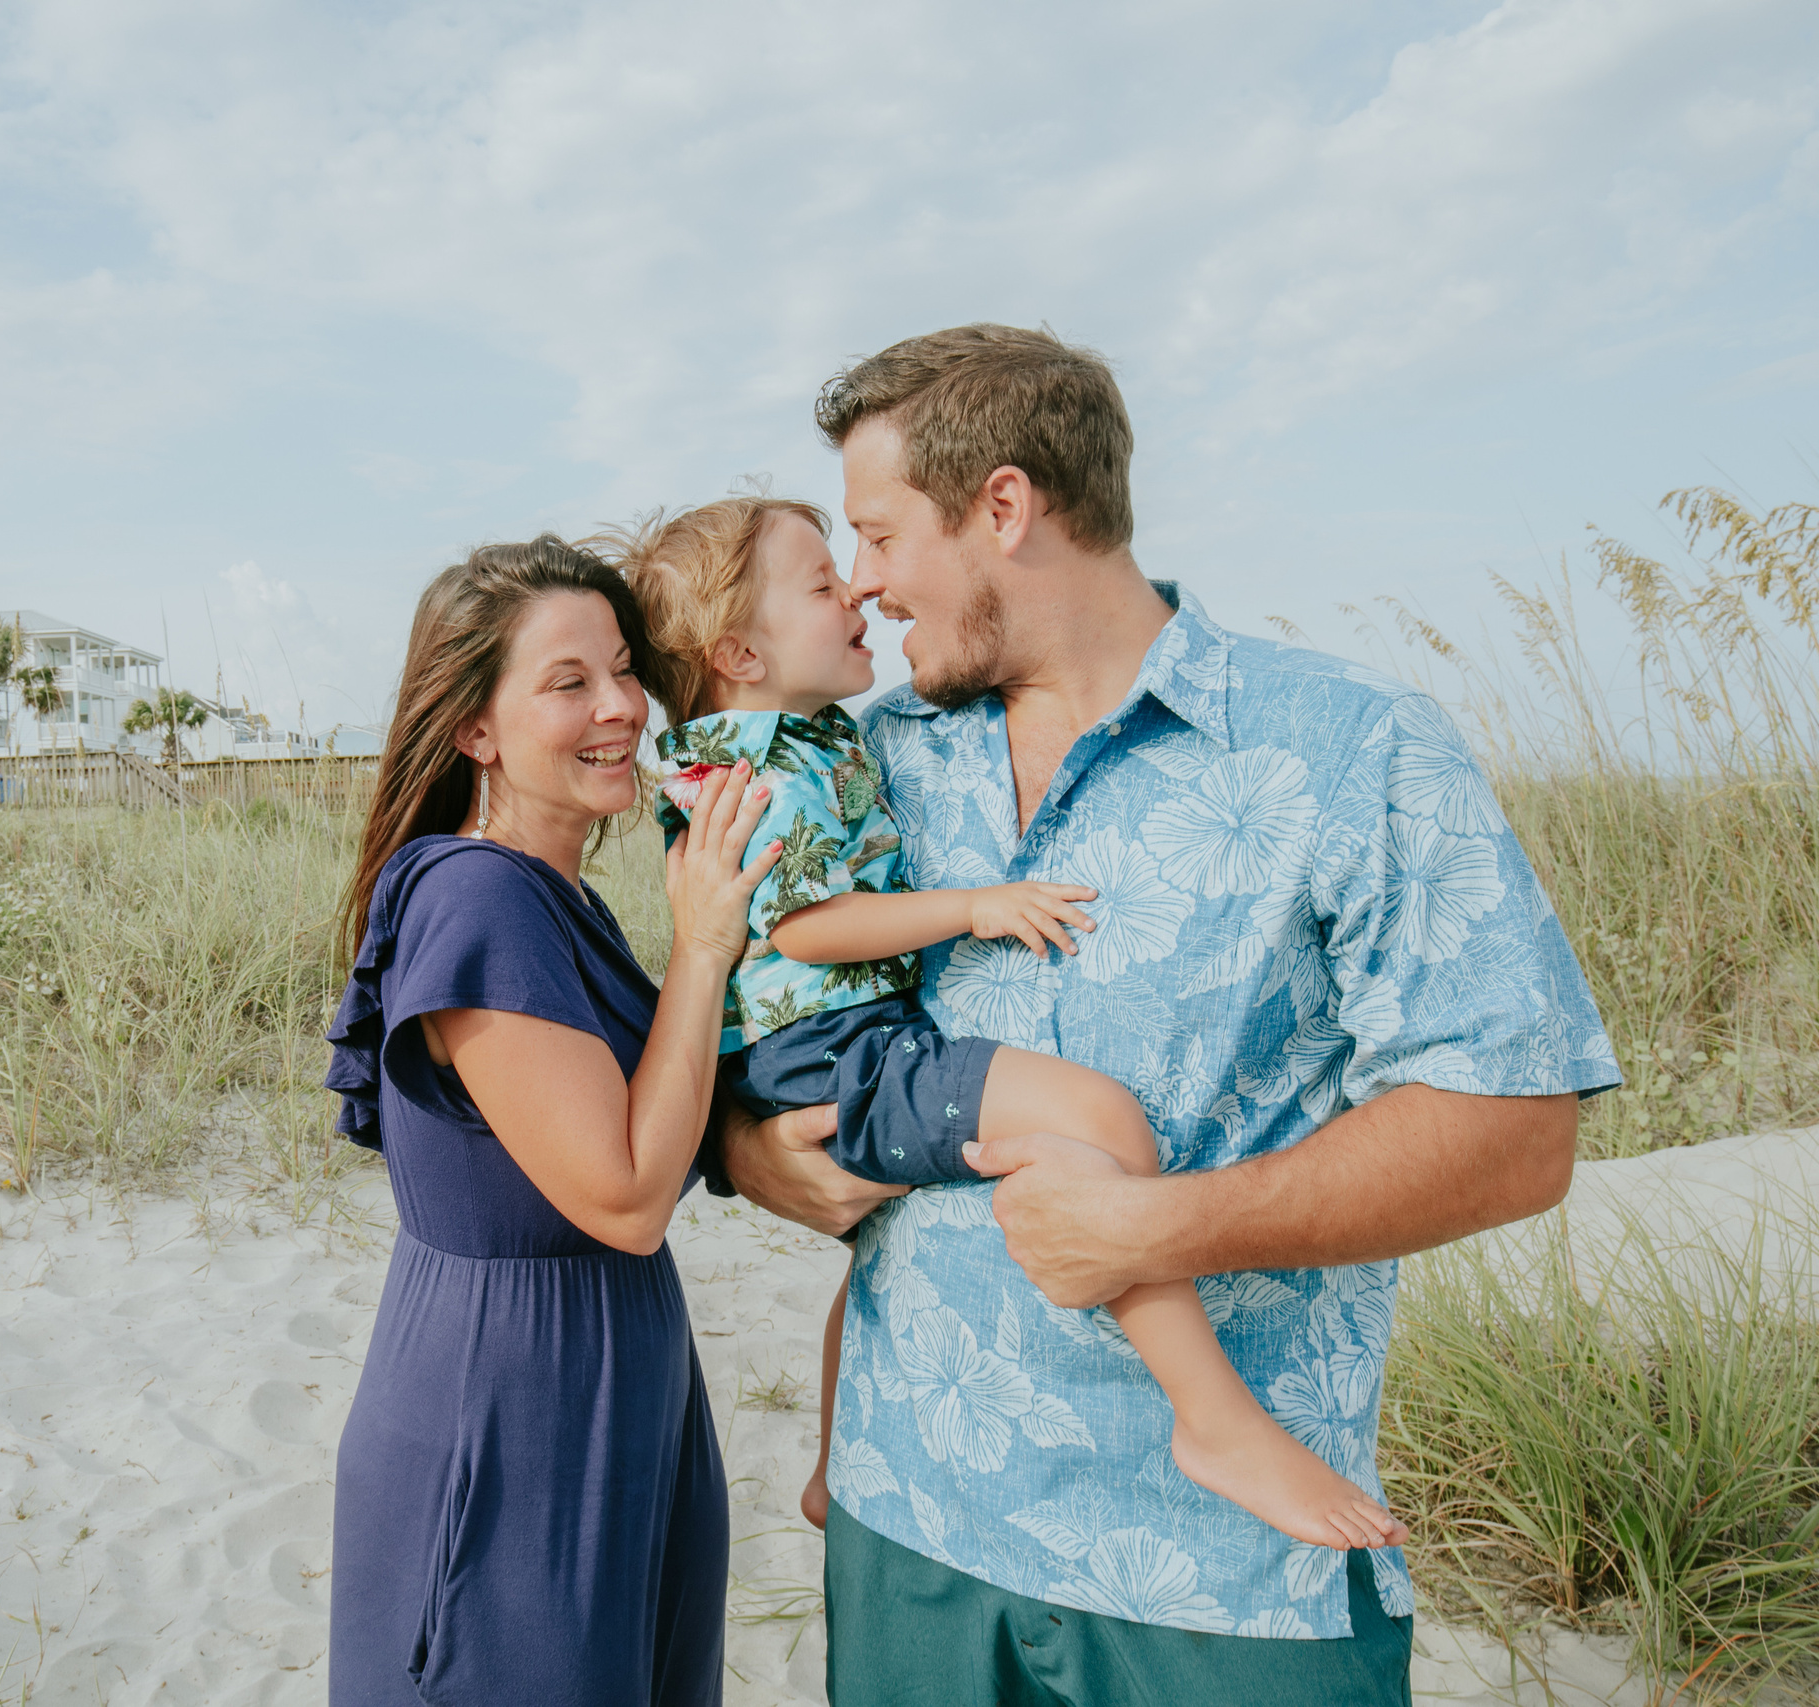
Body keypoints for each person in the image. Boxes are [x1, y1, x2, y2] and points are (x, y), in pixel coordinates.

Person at [714, 325, 1621, 1706]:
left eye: (883, 531)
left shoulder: (1348, 743)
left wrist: (1164, 1223)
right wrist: (743, 1143)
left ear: (1005, 507)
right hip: (908, 1521)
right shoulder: (867, 757)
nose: (868, 580)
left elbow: (1513, 1129)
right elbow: (757, 985)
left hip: (1223, 1580)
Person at [605, 492, 1411, 1554]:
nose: (853, 586)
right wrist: (976, 908)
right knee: (1097, 1120)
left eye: (867, 551)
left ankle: (827, 1465)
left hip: (813, 1048)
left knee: (878, 1249)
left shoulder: (795, 738)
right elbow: (804, 927)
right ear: (739, 653)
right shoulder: (768, 766)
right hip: (830, 1048)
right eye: (820, 582)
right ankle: (1214, 1421)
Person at [322, 536, 780, 1706]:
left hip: (619, 1382)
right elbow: (625, 1195)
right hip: (511, 1405)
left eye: (622, 670)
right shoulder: (478, 899)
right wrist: (705, 943)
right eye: (567, 682)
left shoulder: (553, 893)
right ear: (475, 728)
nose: (621, 707)